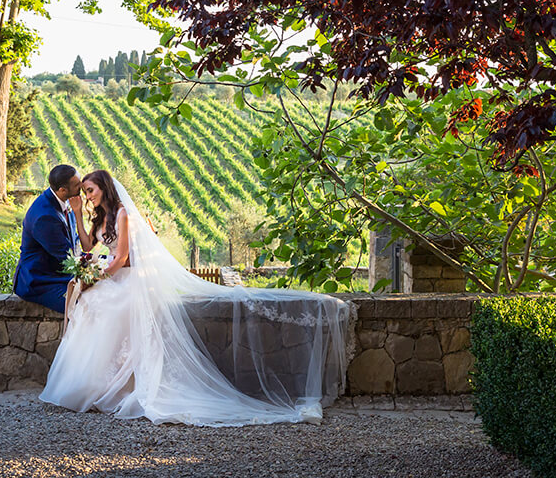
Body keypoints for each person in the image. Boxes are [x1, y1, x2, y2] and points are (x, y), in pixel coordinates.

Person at [39, 169, 352, 426]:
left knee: (103, 305)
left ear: (105, 189)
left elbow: (119, 258)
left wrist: (96, 276)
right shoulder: (98, 217)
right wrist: (79, 215)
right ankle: (96, 384)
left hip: (129, 281)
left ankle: (115, 387)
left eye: (90, 191)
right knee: (91, 304)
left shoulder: (123, 215)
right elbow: (87, 246)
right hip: (113, 279)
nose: (86, 195)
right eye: (84, 191)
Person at [13, 164, 83, 313]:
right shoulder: (45, 217)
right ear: (62, 190)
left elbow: (75, 245)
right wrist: (103, 264)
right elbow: (68, 258)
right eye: (77, 184)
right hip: (39, 281)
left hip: (58, 273)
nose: (81, 186)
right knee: (83, 306)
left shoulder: (64, 201)